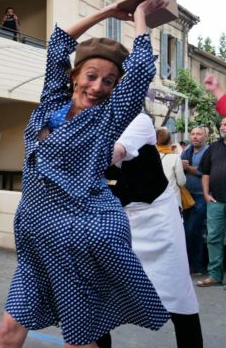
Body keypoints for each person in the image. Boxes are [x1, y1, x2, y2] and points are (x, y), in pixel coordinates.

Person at [0, 0, 170, 348]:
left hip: (75, 233)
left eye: (109, 81)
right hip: (33, 234)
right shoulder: (51, 102)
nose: (98, 87)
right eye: (91, 76)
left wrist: (140, 18)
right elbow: (60, 42)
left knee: (79, 338)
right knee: (8, 331)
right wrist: (107, 10)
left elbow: (139, 71)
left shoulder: (109, 116)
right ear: (75, 75)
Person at [101, 113, 203, 348]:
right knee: (97, 299)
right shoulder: (88, 123)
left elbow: (116, 151)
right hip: (116, 220)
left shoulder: (140, 121)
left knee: (178, 294)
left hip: (158, 219)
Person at [197, 117, 226, 287]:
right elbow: (205, 173)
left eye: (225, 124)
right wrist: (206, 194)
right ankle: (215, 275)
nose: (222, 126)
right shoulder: (213, 148)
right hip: (216, 201)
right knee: (213, 238)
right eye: (222, 124)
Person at [181, 126, 209, 275]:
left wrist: (189, 168)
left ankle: (197, 265)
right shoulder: (187, 150)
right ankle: (190, 264)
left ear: (205, 137)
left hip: (201, 195)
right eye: (193, 134)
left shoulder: (208, 151)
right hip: (187, 196)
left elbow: (207, 171)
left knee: (195, 230)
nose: (195, 137)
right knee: (187, 230)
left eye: (199, 134)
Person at [156, 127, 187, 207]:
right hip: (172, 199)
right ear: (170, 140)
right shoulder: (175, 157)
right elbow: (181, 182)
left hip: (154, 199)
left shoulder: (148, 156)